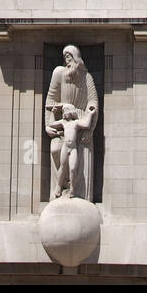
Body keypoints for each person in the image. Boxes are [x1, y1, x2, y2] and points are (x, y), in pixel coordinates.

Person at [45, 45, 99, 200]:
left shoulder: (86, 77)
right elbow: (50, 100)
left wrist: (90, 129)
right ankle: (60, 188)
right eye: (65, 57)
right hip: (63, 120)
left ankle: (75, 192)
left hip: (80, 122)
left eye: (69, 56)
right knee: (55, 149)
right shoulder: (59, 73)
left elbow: (93, 101)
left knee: (76, 164)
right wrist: (48, 126)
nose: (67, 60)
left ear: (76, 58)